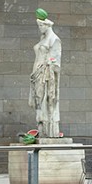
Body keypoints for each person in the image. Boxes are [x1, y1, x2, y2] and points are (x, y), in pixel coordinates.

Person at [29, 8, 63, 137]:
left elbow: (56, 62)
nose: (40, 29)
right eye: (39, 26)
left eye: (41, 26)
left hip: (46, 75)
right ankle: (41, 128)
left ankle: (49, 130)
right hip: (37, 73)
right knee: (38, 100)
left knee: (45, 100)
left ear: (47, 25)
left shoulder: (54, 40)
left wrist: (48, 65)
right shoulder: (43, 38)